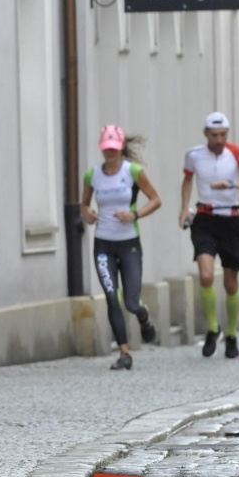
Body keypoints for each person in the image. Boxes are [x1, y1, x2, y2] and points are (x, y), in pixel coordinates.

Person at [81, 125, 161, 370]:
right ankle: (124, 353)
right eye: (106, 149)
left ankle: (143, 315)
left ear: (122, 148)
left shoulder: (133, 171)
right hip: (103, 243)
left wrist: (135, 214)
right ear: (101, 149)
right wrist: (88, 214)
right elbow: (83, 205)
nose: (110, 154)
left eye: (114, 149)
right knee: (110, 296)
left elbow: (156, 200)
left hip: (129, 244)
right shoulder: (92, 174)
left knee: (130, 301)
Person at [180, 112, 239, 360]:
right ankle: (213, 328)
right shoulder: (194, 155)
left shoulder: (237, 153)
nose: (219, 140)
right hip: (204, 219)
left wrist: (232, 185)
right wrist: (184, 208)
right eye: (214, 135)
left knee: (230, 282)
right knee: (204, 274)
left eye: (223, 135)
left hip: (231, 219)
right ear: (205, 134)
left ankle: (231, 335)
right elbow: (187, 180)